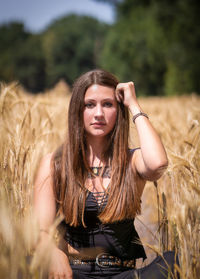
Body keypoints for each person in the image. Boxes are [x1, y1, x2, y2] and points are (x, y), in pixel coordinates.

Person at [33, 69, 179, 279]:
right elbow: (41, 230)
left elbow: (158, 165)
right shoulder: (54, 164)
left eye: (108, 104)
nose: (99, 113)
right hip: (74, 272)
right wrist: (53, 252)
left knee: (173, 261)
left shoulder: (132, 161)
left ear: (119, 110)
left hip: (123, 273)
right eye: (90, 105)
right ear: (77, 110)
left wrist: (134, 105)